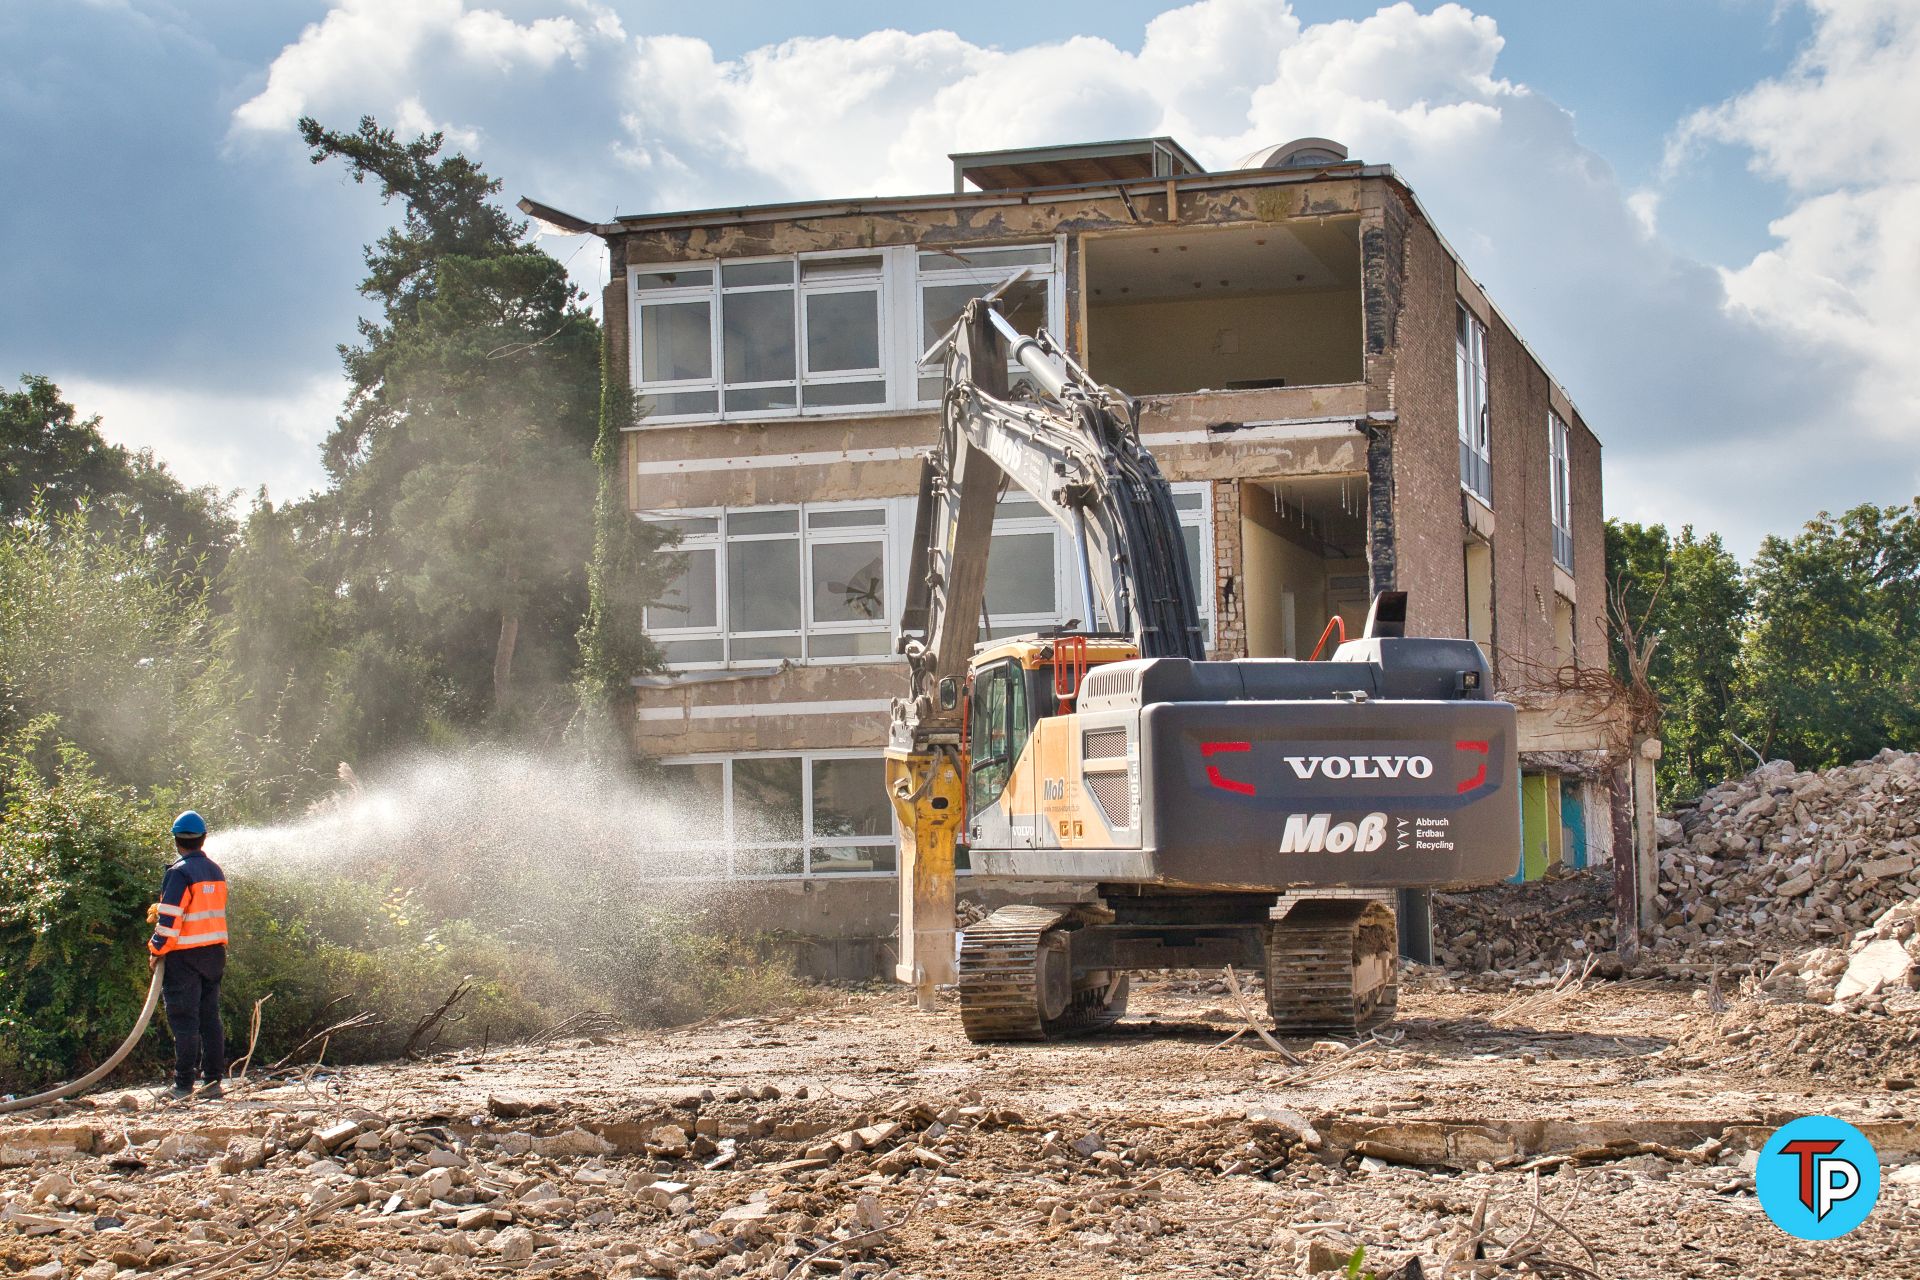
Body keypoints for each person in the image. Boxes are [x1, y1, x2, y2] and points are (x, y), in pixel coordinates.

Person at [149, 811, 228, 1100]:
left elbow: (170, 919)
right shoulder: (215, 871)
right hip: (214, 954)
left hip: (184, 956)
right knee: (210, 1019)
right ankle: (213, 1083)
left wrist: (156, 948)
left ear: (176, 840)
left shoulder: (178, 873)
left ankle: (182, 1086)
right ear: (203, 838)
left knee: (184, 1021)